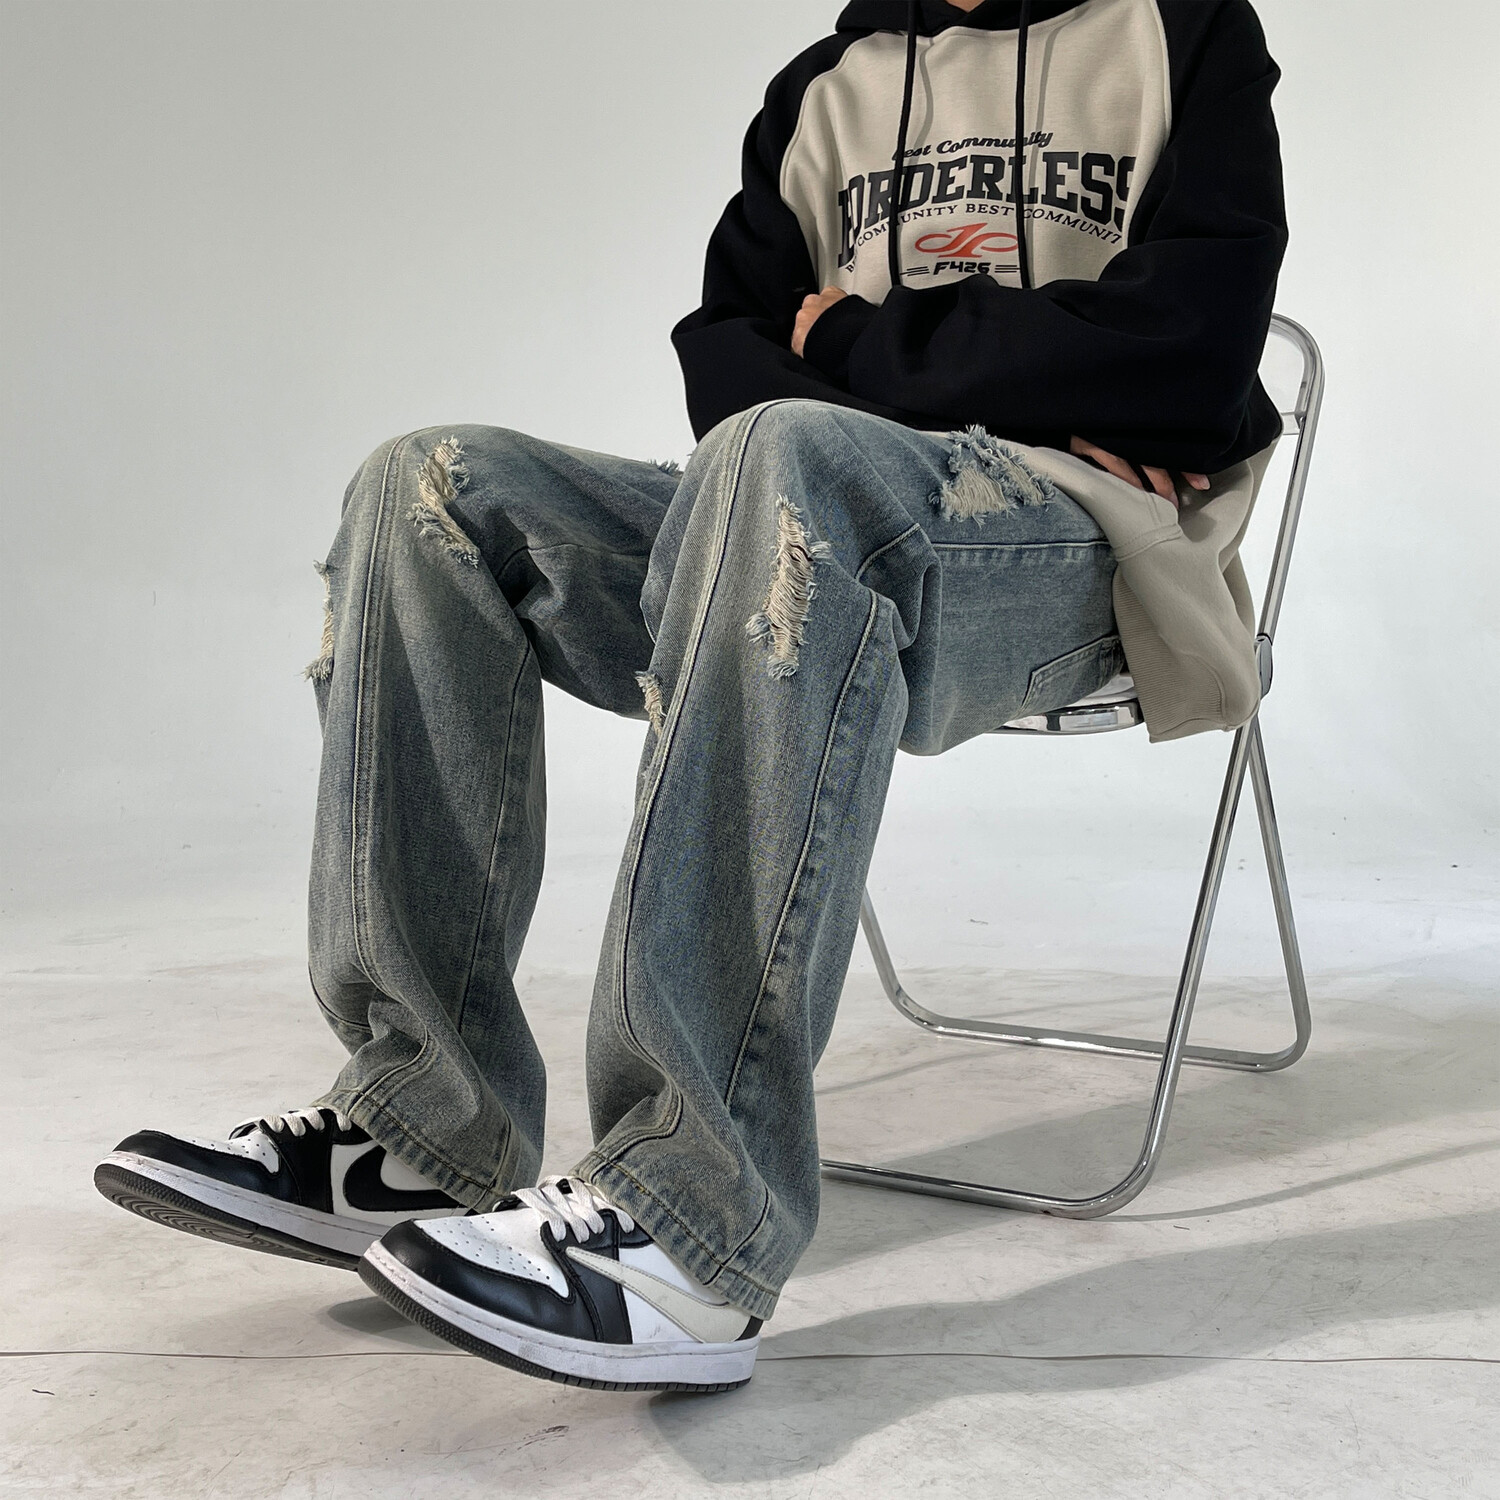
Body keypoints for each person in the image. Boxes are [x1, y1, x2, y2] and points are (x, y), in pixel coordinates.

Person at [95, 0, 1287, 1393]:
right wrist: (1018, 365)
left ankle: (690, 1228)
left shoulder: (1182, 32)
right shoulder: (827, 84)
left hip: (1078, 550)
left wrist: (854, 343)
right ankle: (419, 1122)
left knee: (793, 458)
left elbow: (1190, 354)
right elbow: (726, 368)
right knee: (429, 485)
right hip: (805, 512)